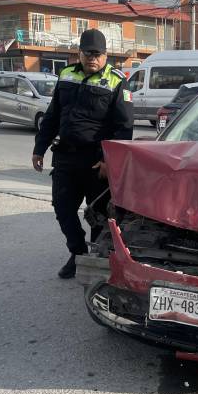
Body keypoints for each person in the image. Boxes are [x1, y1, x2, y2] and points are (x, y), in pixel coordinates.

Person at [32, 29, 134, 279]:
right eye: (88, 53)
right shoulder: (66, 76)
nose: (92, 58)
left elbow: (124, 127)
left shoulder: (117, 80)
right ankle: (78, 254)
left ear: (106, 56)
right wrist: (39, 147)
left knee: (98, 215)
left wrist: (108, 160)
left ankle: (97, 261)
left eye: (98, 54)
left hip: (97, 162)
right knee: (63, 209)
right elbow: (53, 115)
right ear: (79, 53)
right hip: (66, 156)